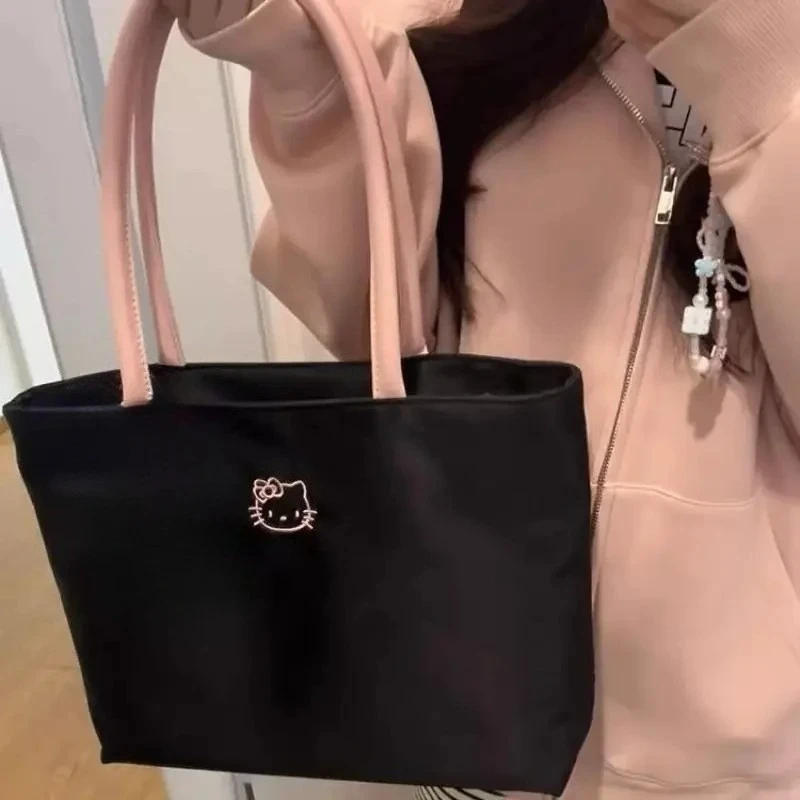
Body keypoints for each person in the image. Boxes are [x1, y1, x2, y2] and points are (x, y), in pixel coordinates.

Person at [160, 1, 800, 798]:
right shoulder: (482, 25)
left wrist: (765, 79)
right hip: (477, 711)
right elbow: (380, 340)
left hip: (748, 764)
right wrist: (295, 64)